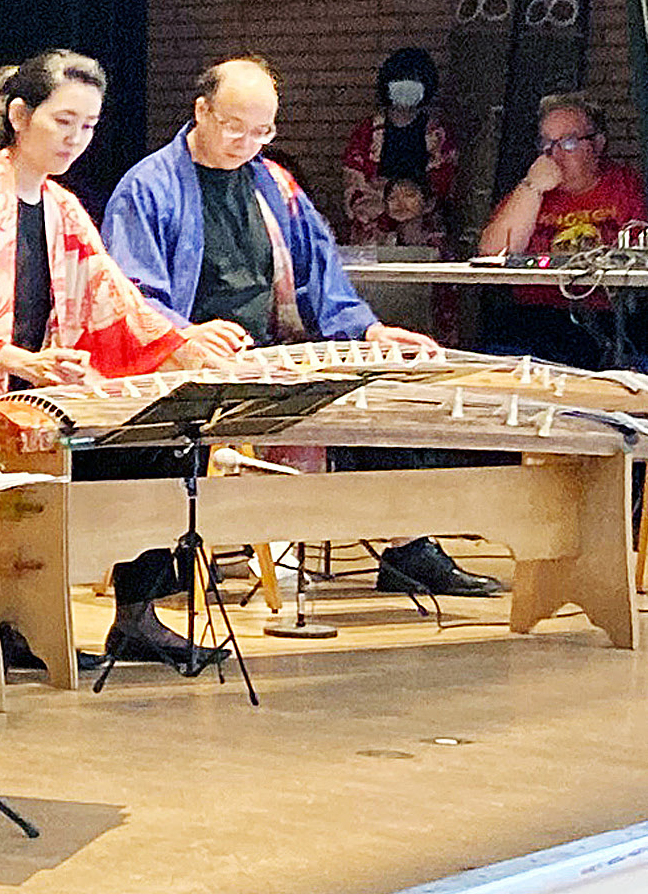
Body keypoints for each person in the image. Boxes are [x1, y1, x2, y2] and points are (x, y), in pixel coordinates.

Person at [0, 52, 241, 670]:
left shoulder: (63, 208)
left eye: (89, 126)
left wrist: (184, 341)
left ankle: (139, 617)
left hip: (31, 403)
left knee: (163, 443)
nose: (76, 138)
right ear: (19, 115)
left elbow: (115, 301)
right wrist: (20, 360)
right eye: (64, 121)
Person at [103, 58, 495, 609]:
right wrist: (184, 337)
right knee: (170, 431)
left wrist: (371, 329)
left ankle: (407, 547)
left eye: (263, 131)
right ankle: (152, 593)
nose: (248, 142)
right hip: (191, 360)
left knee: (381, 386)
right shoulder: (149, 186)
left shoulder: (275, 183)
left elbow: (321, 280)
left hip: (273, 352)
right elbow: (132, 294)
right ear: (201, 112)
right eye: (235, 126)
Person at [476, 92, 648, 366]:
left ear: (597, 145)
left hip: (608, 316)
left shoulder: (626, 186)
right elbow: (491, 253)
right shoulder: (528, 193)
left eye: (567, 142)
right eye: (546, 144)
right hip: (537, 315)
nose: (554, 154)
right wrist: (532, 187)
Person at [341, 48, 457, 246]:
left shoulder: (438, 133)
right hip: (372, 228)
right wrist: (390, 202)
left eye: (414, 80)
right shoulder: (367, 131)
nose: (406, 86)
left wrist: (414, 203)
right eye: (399, 80)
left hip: (424, 227)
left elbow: (445, 180)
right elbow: (353, 177)